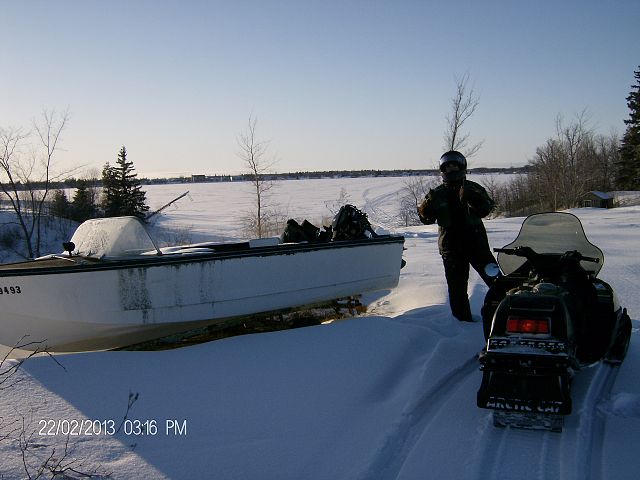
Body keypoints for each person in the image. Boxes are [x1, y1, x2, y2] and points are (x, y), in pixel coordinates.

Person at [417, 150, 497, 322]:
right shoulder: (436, 194)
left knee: (497, 282)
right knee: (457, 290)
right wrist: (425, 208)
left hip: (476, 244)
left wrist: (475, 199)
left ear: (462, 167)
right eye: (447, 167)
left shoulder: (473, 188)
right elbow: (425, 219)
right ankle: (462, 324)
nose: (451, 169)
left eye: (454, 166)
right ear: (442, 170)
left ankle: (505, 315)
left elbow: (486, 209)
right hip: (451, 248)